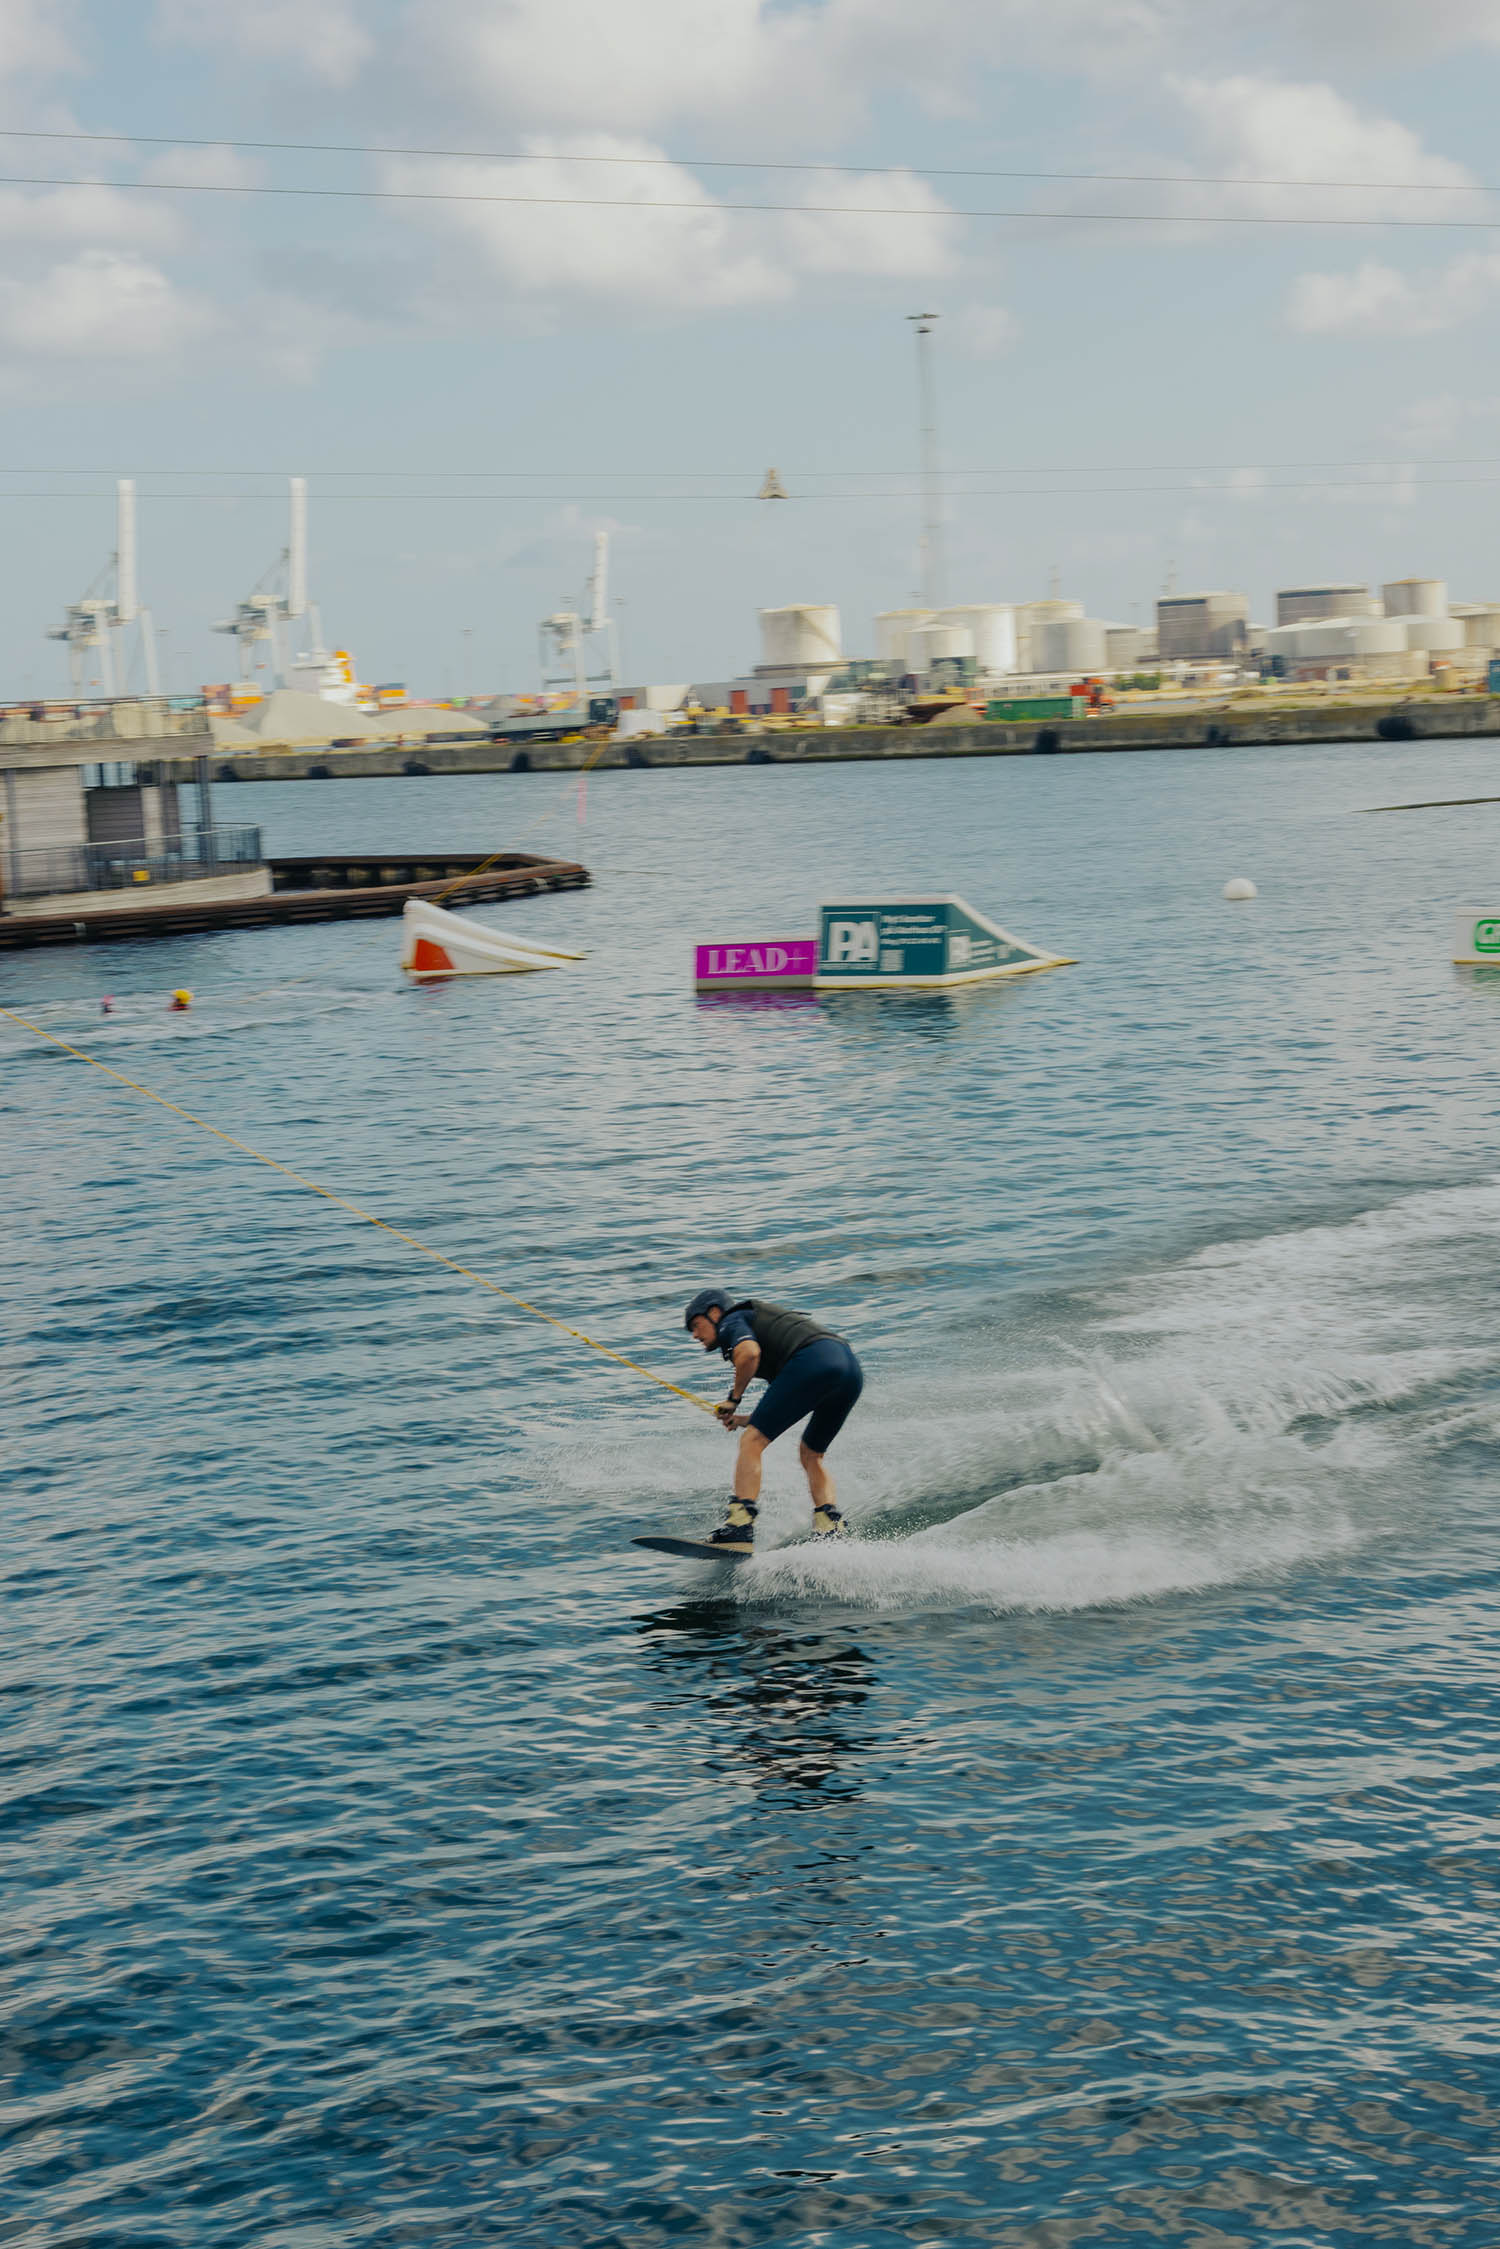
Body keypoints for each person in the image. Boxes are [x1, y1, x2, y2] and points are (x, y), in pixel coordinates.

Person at [683, 1288, 864, 1552]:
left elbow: (749, 1354)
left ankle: (739, 1525)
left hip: (814, 1359)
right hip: (849, 1369)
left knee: (751, 1443)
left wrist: (733, 1399)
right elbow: (787, 1396)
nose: (695, 1336)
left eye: (696, 1326)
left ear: (714, 1313)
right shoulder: (770, 1333)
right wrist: (744, 1419)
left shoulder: (732, 1321)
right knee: (811, 1454)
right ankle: (829, 1528)